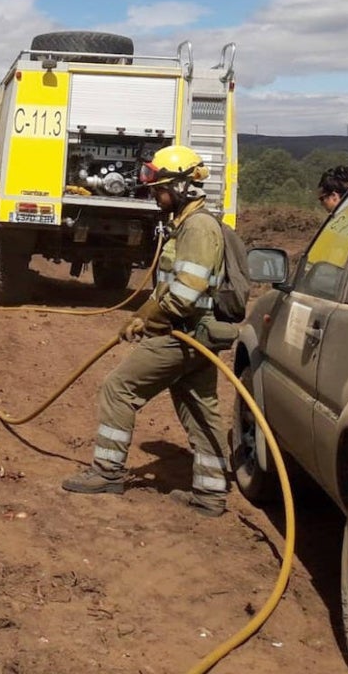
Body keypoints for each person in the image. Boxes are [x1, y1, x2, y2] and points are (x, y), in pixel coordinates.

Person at [61, 145, 233, 517]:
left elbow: (186, 291)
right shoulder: (186, 224)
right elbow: (168, 286)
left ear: (184, 186)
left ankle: (107, 471)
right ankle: (211, 495)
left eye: (161, 189)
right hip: (192, 335)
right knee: (200, 412)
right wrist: (141, 314)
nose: (156, 196)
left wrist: (150, 320)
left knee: (119, 388)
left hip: (181, 334)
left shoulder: (199, 228)